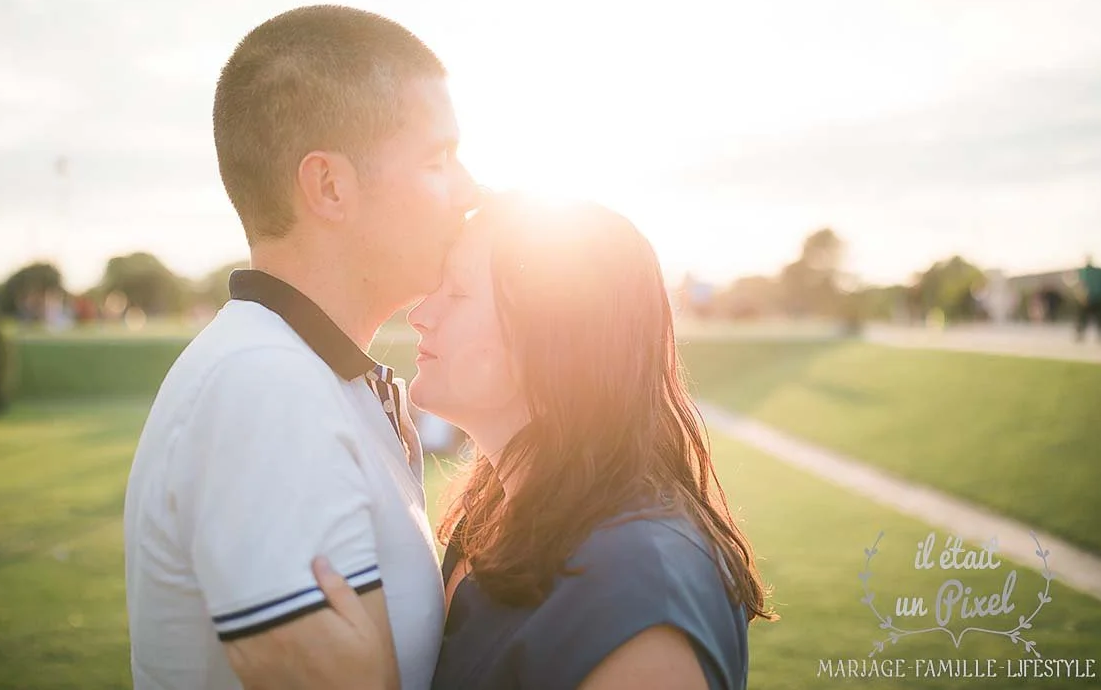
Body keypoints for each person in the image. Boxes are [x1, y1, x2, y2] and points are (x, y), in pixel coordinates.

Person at [123, 5, 477, 690]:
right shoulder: (265, 387)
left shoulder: (308, 375)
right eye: (438, 160)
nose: (467, 190)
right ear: (330, 187)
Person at [322, 192, 771, 689]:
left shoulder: (638, 594)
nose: (420, 314)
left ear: (555, 332)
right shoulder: (493, 519)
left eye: (459, 293)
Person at [1076, 255, 1101, 344]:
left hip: (1088, 298)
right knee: (1100, 319)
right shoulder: (1099, 271)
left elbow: (1081, 284)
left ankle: (1080, 335)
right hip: (1099, 297)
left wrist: (1082, 297)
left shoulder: (1084, 271)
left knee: (1083, 318)